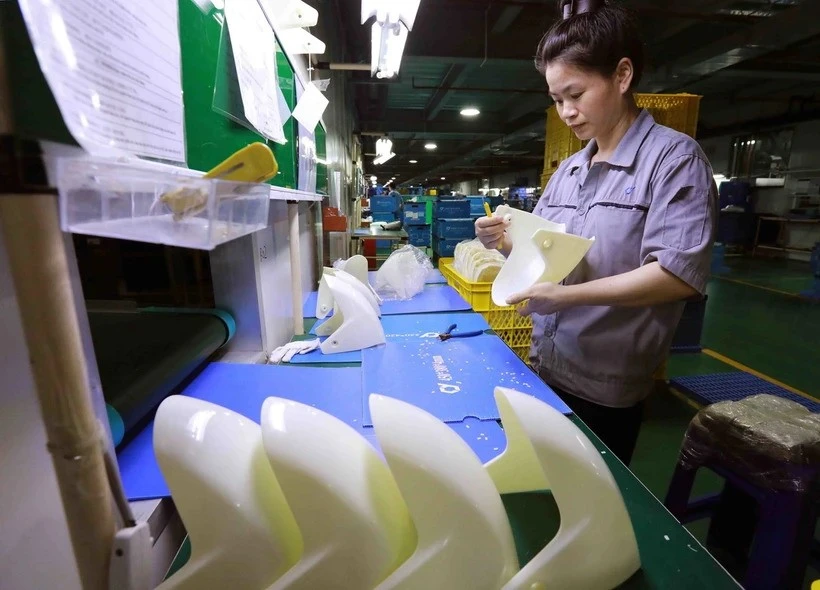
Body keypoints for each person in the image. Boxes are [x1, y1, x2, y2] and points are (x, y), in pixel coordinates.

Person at [475, 0, 717, 466]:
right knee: (542, 484)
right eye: (556, 100)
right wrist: (501, 240)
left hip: (606, 385)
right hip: (546, 361)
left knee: (590, 497)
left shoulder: (673, 161)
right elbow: (543, 251)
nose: (566, 112)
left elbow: (677, 276)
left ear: (622, 76)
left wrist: (566, 298)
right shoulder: (569, 170)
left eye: (575, 94)